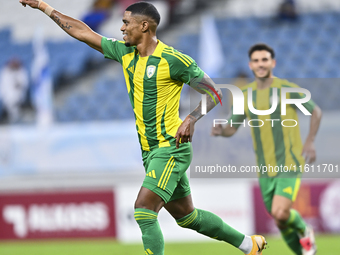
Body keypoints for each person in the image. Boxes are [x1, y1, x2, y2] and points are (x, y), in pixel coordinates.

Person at [19, 1, 267, 254]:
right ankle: (250, 244)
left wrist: (190, 119)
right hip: (150, 152)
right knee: (187, 217)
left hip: (171, 147)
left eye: (127, 23)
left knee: (144, 210)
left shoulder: (173, 60)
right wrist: (43, 6)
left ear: (144, 26)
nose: (122, 27)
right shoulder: (124, 53)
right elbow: (82, 32)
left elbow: (214, 92)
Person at [212, 43, 322, 255]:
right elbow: (232, 129)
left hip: (289, 161)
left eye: (265, 60)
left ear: (273, 63)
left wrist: (310, 140)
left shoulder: (287, 89)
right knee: (280, 222)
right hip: (264, 168)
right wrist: (221, 131)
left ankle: (304, 228)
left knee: (280, 213)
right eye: (256, 60)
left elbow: (315, 111)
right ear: (250, 65)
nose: (260, 64)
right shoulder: (244, 95)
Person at [0, 58, 29, 123]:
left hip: (19, 100)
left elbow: (24, 84)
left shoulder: (22, 72)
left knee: (20, 114)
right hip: (7, 100)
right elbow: (3, 87)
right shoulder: (5, 72)